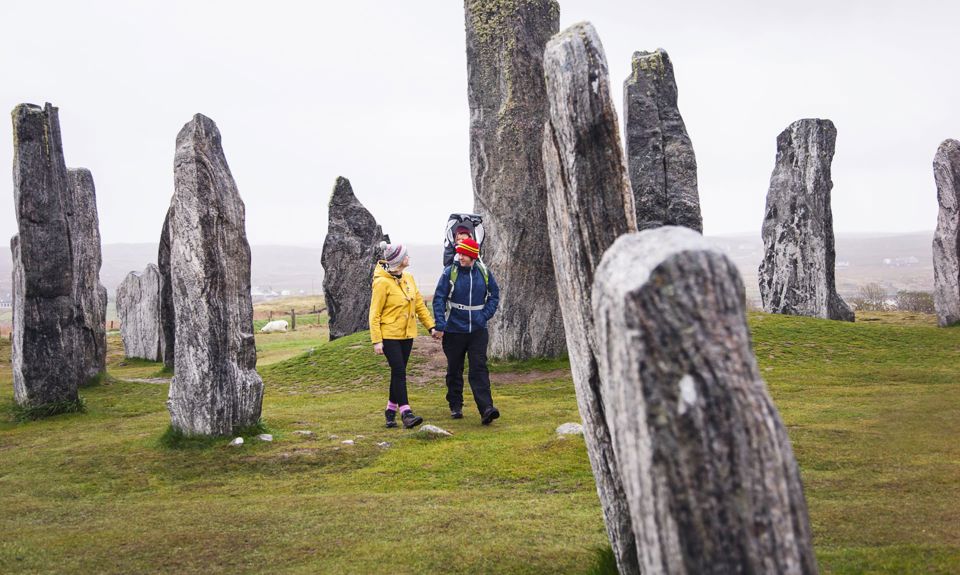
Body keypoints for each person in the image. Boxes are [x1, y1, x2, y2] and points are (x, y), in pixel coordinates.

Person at [432, 237, 501, 424]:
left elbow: (494, 295)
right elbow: (439, 299)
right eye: (459, 253)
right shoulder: (449, 273)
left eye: (463, 254)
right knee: (454, 369)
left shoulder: (484, 272)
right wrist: (440, 324)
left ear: (472, 256)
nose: (460, 256)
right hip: (454, 330)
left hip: (478, 330)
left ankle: (486, 408)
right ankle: (455, 405)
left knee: (479, 368)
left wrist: (484, 315)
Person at [369, 240, 437, 429]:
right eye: (405, 255)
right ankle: (406, 413)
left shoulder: (409, 278)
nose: (408, 257)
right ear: (398, 259)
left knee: (397, 373)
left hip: (407, 335)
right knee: (399, 372)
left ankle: (390, 411)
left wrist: (431, 327)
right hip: (389, 335)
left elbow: (419, 305)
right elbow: (374, 313)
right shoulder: (381, 283)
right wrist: (377, 340)